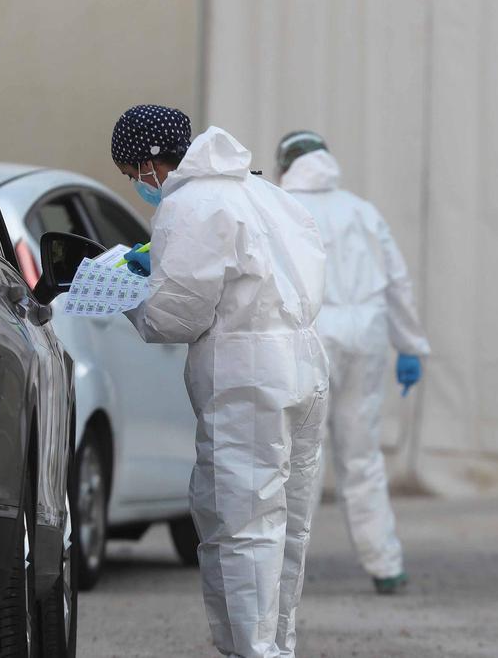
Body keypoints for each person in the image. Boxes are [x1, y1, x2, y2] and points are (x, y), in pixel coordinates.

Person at [112, 105, 330, 658]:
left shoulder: (190, 203)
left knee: (241, 525)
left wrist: (124, 292)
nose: (137, 185)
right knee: (286, 528)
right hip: (303, 363)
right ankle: (277, 647)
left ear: (146, 162)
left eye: (131, 173)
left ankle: (250, 653)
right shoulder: (262, 193)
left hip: (247, 376)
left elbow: (175, 317)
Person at [276, 131, 430, 594]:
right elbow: (396, 282)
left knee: (296, 459)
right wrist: (410, 346)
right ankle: (385, 565)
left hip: (309, 336)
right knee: (362, 456)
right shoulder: (362, 210)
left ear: (285, 163)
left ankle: (280, 573)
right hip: (366, 336)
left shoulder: (277, 207)